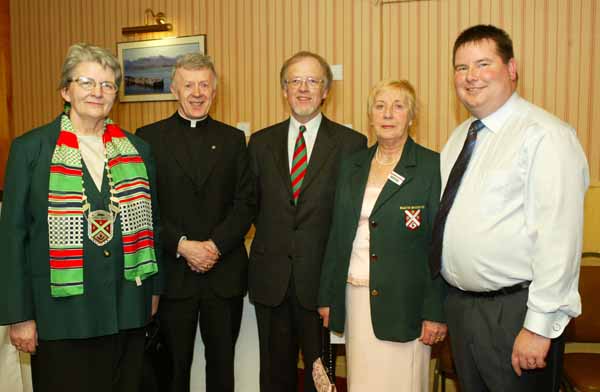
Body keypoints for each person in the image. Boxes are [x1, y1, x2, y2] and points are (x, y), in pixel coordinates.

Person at [430, 24, 590, 391]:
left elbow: (559, 239)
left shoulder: (545, 135)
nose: (471, 77)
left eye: (483, 64)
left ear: (512, 69)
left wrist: (539, 325)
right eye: (461, 67)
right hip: (464, 309)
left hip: (515, 312)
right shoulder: (458, 139)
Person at [0, 42, 162, 392]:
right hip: (60, 315)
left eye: (106, 85)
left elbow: (154, 225)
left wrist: (154, 291)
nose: (97, 92)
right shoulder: (31, 150)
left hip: (127, 308)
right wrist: (19, 315)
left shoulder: (138, 150)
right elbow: (13, 237)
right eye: (86, 82)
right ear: (65, 90)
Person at [248, 51, 367, 392]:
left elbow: (349, 222)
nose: (303, 89)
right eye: (295, 81)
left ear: (326, 90)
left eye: (312, 81)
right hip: (271, 283)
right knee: (274, 376)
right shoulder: (259, 143)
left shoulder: (351, 145)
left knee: (322, 378)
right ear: (283, 90)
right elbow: (248, 207)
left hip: (320, 287)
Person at [317, 80, 446, 391]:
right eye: (380, 106)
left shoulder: (432, 166)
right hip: (355, 295)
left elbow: (439, 246)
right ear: (370, 116)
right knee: (363, 381)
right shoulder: (352, 165)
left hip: (407, 304)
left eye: (398, 106)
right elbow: (337, 234)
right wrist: (327, 296)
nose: (388, 114)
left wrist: (435, 312)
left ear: (412, 116)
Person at [136, 53, 254, 392]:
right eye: (189, 85)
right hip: (174, 277)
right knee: (173, 370)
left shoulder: (234, 140)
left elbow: (245, 203)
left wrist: (214, 246)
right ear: (175, 89)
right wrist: (183, 246)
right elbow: (145, 208)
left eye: (204, 85)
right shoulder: (148, 139)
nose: (197, 93)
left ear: (215, 91)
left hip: (224, 273)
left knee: (222, 369)